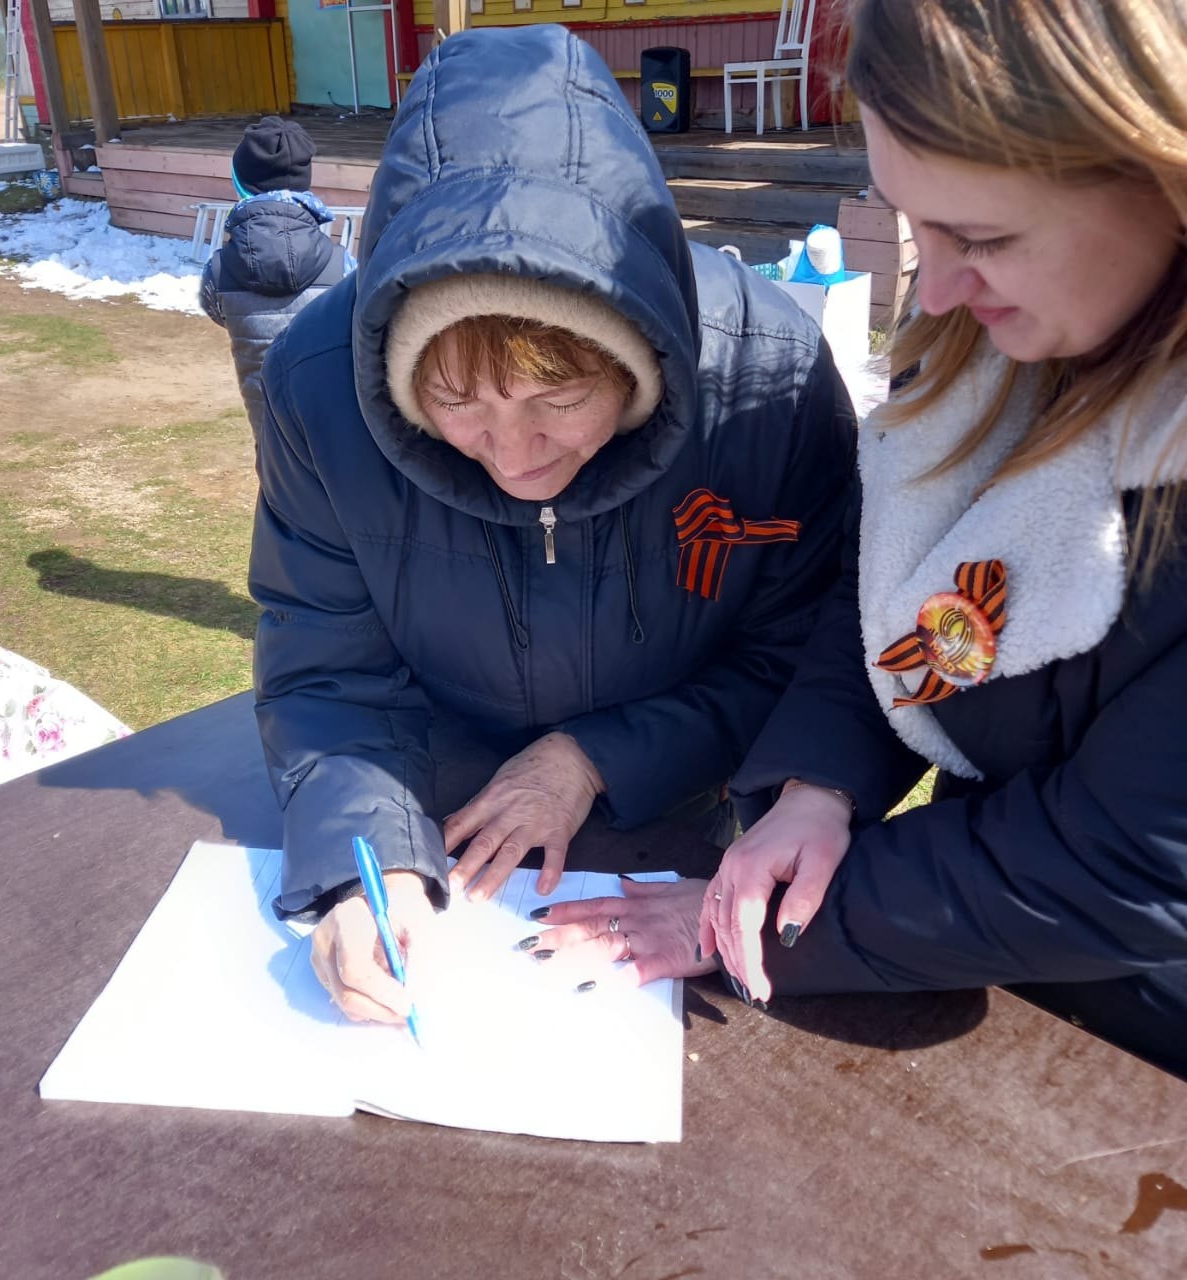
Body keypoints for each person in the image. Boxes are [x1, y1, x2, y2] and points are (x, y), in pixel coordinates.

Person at [543, 0, 1187, 1079]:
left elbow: (1130, 862)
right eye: (907, 220)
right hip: (1001, 975)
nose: (929, 289)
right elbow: (913, 601)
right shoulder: (995, 347)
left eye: (981, 237)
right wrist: (819, 784)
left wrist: (770, 920)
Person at [248, 25, 858, 1026]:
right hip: (437, 830)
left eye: (558, 400)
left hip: (667, 820)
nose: (515, 456)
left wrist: (598, 755)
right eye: (456, 407)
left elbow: (801, 662)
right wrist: (373, 857)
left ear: (638, 356)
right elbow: (324, 663)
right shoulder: (320, 387)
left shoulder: (765, 376)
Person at [199, 116, 346, 444]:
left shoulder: (220, 269)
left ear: (241, 184)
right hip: (333, 423)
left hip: (267, 429)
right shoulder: (341, 263)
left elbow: (217, 310)